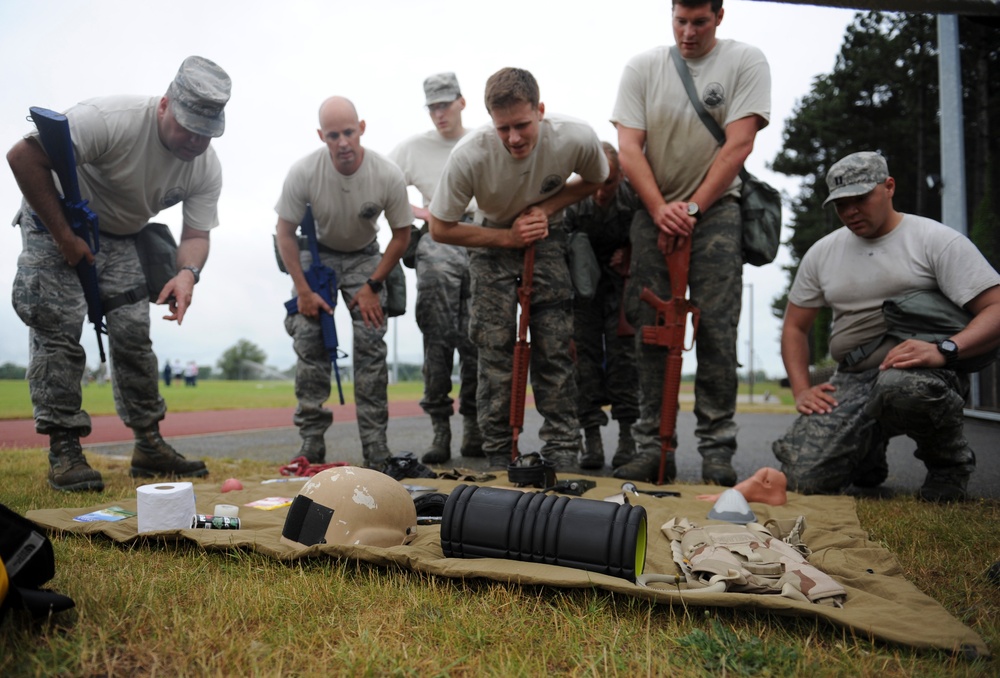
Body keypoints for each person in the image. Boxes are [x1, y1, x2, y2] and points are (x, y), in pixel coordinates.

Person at [7, 56, 229, 492]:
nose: (195, 141)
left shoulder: (206, 166)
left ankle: (148, 445)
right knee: (58, 326)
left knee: (132, 335)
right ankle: (64, 448)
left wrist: (187, 273)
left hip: (121, 235)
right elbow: (23, 156)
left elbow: (196, 234)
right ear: (164, 105)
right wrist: (64, 237)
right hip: (55, 218)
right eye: (188, 127)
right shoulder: (110, 119)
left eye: (206, 133)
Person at [772, 151, 1000, 502]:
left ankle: (948, 469)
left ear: (889, 187)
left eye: (861, 199)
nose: (851, 211)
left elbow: (995, 307)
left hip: (921, 372)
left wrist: (945, 350)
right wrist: (802, 390)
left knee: (904, 387)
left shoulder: (934, 240)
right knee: (804, 478)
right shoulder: (822, 253)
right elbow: (794, 328)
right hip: (853, 377)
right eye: (841, 204)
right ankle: (867, 455)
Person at [611, 0, 771, 485]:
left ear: (719, 16)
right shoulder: (642, 67)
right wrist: (660, 208)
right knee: (650, 331)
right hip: (653, 211)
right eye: (680, 21)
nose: (688, 32)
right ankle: (651, 446)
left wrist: (693, 209)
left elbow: (739, 144)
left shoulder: (745, 60)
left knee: (717, 331)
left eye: (699, 22)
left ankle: (717, 450)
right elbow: (628, 147)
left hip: (716, 212)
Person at [429, 67, 609, 469]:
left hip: (546, 238)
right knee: (494, 351)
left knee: (554, 348)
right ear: (490, 121)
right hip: (492, 241)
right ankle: (498, 453)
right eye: (503, 128)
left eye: (522, 125)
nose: (513, 138)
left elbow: (597, 177)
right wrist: (508, 237)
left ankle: (562, 450)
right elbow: (440, 228)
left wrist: (545, 209)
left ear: (540, 111)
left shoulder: (575, 136)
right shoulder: (470, 155)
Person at [275, 96, 412, 470]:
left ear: (361, 128)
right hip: (317, 255)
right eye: (333, 135)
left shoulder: (386, 174)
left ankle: (376, 446)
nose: (343, 143)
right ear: (321, 136)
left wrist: (373, 285)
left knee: (371, 339)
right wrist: (304, 291)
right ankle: (310, 442)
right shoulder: (304, 172)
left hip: (365, 257)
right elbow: (284, 233)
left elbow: (402, 235)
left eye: (349, 132)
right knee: (309, 336)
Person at [389, 73, 481, 464]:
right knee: (437, 339)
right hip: (438, 241)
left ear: (462, 102)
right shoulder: (413, 148)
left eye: (445, 105)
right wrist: (419, 212)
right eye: (433, 107)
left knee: (480, 339)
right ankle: (440, 430)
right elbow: (384, 184)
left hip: (479, 237)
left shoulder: (482, 139)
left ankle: (474, 427)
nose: (439, 113)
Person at [564, 142, 641, 470]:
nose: (599, 192)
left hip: (622, 287)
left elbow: (650, 236)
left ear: (621, 175)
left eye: (607, 183)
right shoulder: (573, 200)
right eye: (593, 182)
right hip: (583, 292)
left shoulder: (634, 196)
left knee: (625, 360)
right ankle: (591, 438)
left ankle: (628, 437)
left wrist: (632, 253)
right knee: (584, 361)